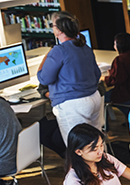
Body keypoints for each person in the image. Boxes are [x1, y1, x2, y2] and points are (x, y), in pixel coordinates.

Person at [37, 11, 102, 143]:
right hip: (94, 99)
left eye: (52, 25)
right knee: (96, 143)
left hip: (73, 105)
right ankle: (104, 164)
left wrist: (47, 57)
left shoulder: (59, 51)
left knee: (78, 148)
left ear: (60, 30)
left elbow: (44, 79)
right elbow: (97, 75)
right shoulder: (85, 47)